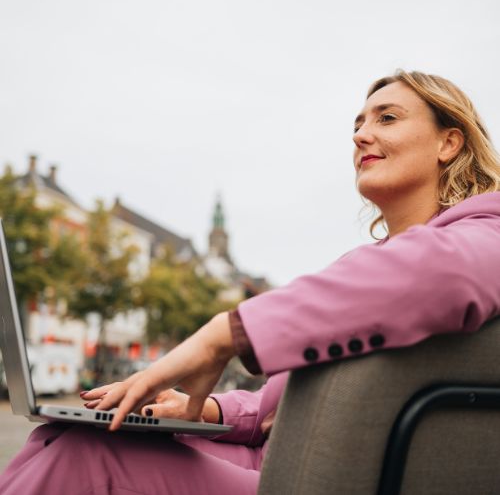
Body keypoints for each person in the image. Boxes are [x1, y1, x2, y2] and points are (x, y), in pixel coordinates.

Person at [2, 70, 500, 495]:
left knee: (90, 455)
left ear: (448, 142)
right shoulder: (369, 269)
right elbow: (279, 410)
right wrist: (211, 409)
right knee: (62, 436)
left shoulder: (485, 233)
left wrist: (225, 334)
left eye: (386, 118)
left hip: (321, 478)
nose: (360, 135)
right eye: (358, 123)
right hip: (281, 462)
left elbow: (440, 272)